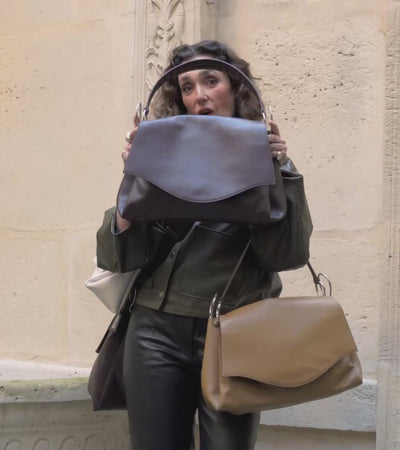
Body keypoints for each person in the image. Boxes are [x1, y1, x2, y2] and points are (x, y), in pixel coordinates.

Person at [96, 40, 311, 450]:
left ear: (235, 87)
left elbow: (287, 255)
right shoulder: (162, 153)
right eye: (187, 87)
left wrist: (280, 169)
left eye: (211, 81)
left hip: (233, 332)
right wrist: (134, 177)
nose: (200, 95)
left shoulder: (264, 158)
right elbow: (117, 255)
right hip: (155, 331)